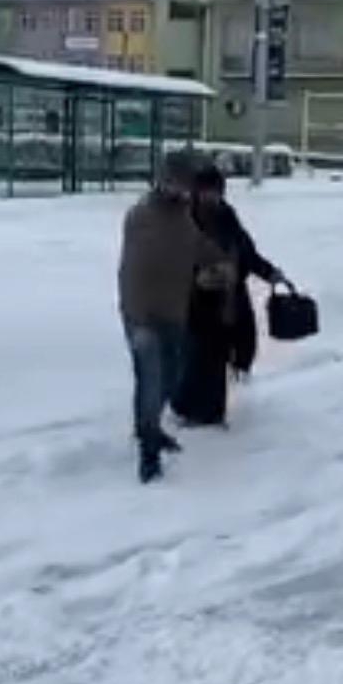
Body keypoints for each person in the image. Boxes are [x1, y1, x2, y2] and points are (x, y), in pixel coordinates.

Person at [118, 151, 226, 483]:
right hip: (142, 314)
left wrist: (216, 265)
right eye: (178, 182)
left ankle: (148, 427)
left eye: (187, 184)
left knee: (171, 378)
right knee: (150, 380)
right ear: (163, 181)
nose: (184, 190)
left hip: (174, 313)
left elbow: (195, 247)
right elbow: (142, 264)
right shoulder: (141, 216)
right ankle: (148, 452)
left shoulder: (183, 218)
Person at [174, 162, 283, 428]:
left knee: (217, 355)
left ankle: (207, 412)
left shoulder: (227, 217)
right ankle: (194, 411)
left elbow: (246, 252)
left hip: (228, 298)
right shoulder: (184, 220)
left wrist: (269, 273)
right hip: (196, 300)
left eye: (215, 191)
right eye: (205, 191)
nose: (211, 196)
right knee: (199, 357)